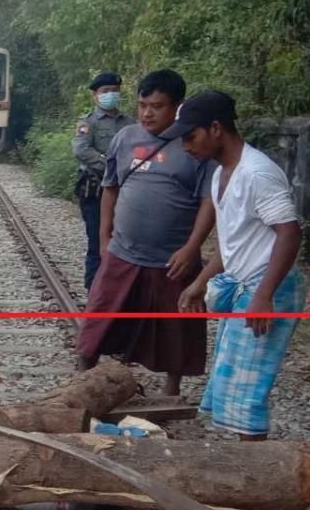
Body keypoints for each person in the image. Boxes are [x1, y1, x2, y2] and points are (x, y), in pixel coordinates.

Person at [172, 90, 303, 441]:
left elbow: (290, 233)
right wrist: (200, 281)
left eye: (191, 136)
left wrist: (263, 296)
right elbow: (234, 244)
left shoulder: (257, 173)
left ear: (216, 128)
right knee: (230, 381)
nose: (185, 146)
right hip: (246, 284)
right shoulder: (221, 175)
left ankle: (254, 465)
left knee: (247, 391)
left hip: (267, 286)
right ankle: (246, 460)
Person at [75, 70, 215, 396]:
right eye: (142, 105)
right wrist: (104, 238)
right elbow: (110, 188)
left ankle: (171, 391)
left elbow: (209, 202)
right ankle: (81, 383)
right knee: (99, 317)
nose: (147, 113)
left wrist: (192, 247)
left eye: (157, 106)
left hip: (173, 257)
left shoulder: (193, 143)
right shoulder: (125, 138)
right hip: (123, 251)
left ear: (177, 106)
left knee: (176, 327)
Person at [72, 73, 136, 290]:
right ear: (95, 95)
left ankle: (118, 289)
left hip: (125, 190)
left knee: (124, 241)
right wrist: (110, 164)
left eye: (114, 90)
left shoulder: (129, 122)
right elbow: (80, 149)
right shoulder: (88, 122)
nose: (111, 95)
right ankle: (94, 290)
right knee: (97, 240)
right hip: (95, 190)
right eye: (105, 91)